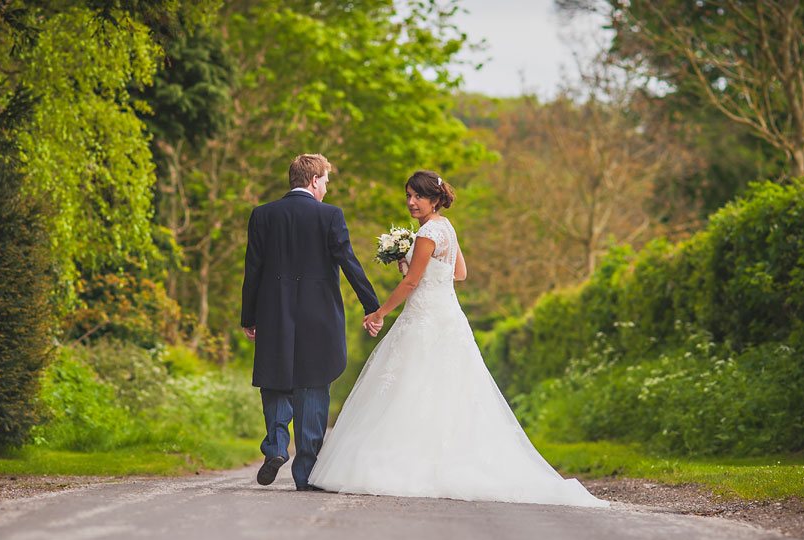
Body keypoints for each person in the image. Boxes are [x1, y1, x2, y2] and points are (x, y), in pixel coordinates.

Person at [308, 170, 608, 507]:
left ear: (435, 199)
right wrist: (413, 266)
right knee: (448, 388)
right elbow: (460, 273)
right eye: (408, 195)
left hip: (424, 317)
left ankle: (412, 463)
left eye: (418, 196)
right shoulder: (446, 228)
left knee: (410, 385)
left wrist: (379, 313)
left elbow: (410, 285)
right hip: (447, 315)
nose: (411, 202)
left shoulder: (426, 234)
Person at [241, 154, 380, 491]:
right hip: (319, 317)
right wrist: (371, 305)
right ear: (315, 179)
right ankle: (306, 473)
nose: (327, 188)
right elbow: (349, 262)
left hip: (273, 313)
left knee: (276, 381)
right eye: (326, 181)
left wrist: (249, 316)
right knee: (313, 386)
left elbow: (253, 269)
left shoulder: (263, 214)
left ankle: (275, 447)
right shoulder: (329, 215)